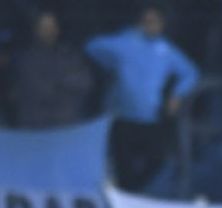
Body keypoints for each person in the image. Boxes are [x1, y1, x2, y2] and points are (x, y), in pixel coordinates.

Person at [85, 2, 198, 191]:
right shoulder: (125, 42)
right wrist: (111, 63)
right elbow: (92, 47)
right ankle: (126, 198)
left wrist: (177, 95)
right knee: (123, 166)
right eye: (148, 21)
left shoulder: (166, 50)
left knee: (157, 161)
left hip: (150, 118)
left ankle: (135, 194)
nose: (152, 25)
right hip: (122, 118)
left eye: (156, 22)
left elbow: (190, 72)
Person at [11, 10, 93, 128]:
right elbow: (38, 90)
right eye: (44, 28)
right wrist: (64, 82)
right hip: (35, 125)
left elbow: (86, 83)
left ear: (58, 29)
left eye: (52, 27)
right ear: (36, 30)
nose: (49, 32)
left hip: (68, 122)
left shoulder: (70, 55)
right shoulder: (26, 59)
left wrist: (61, 81)